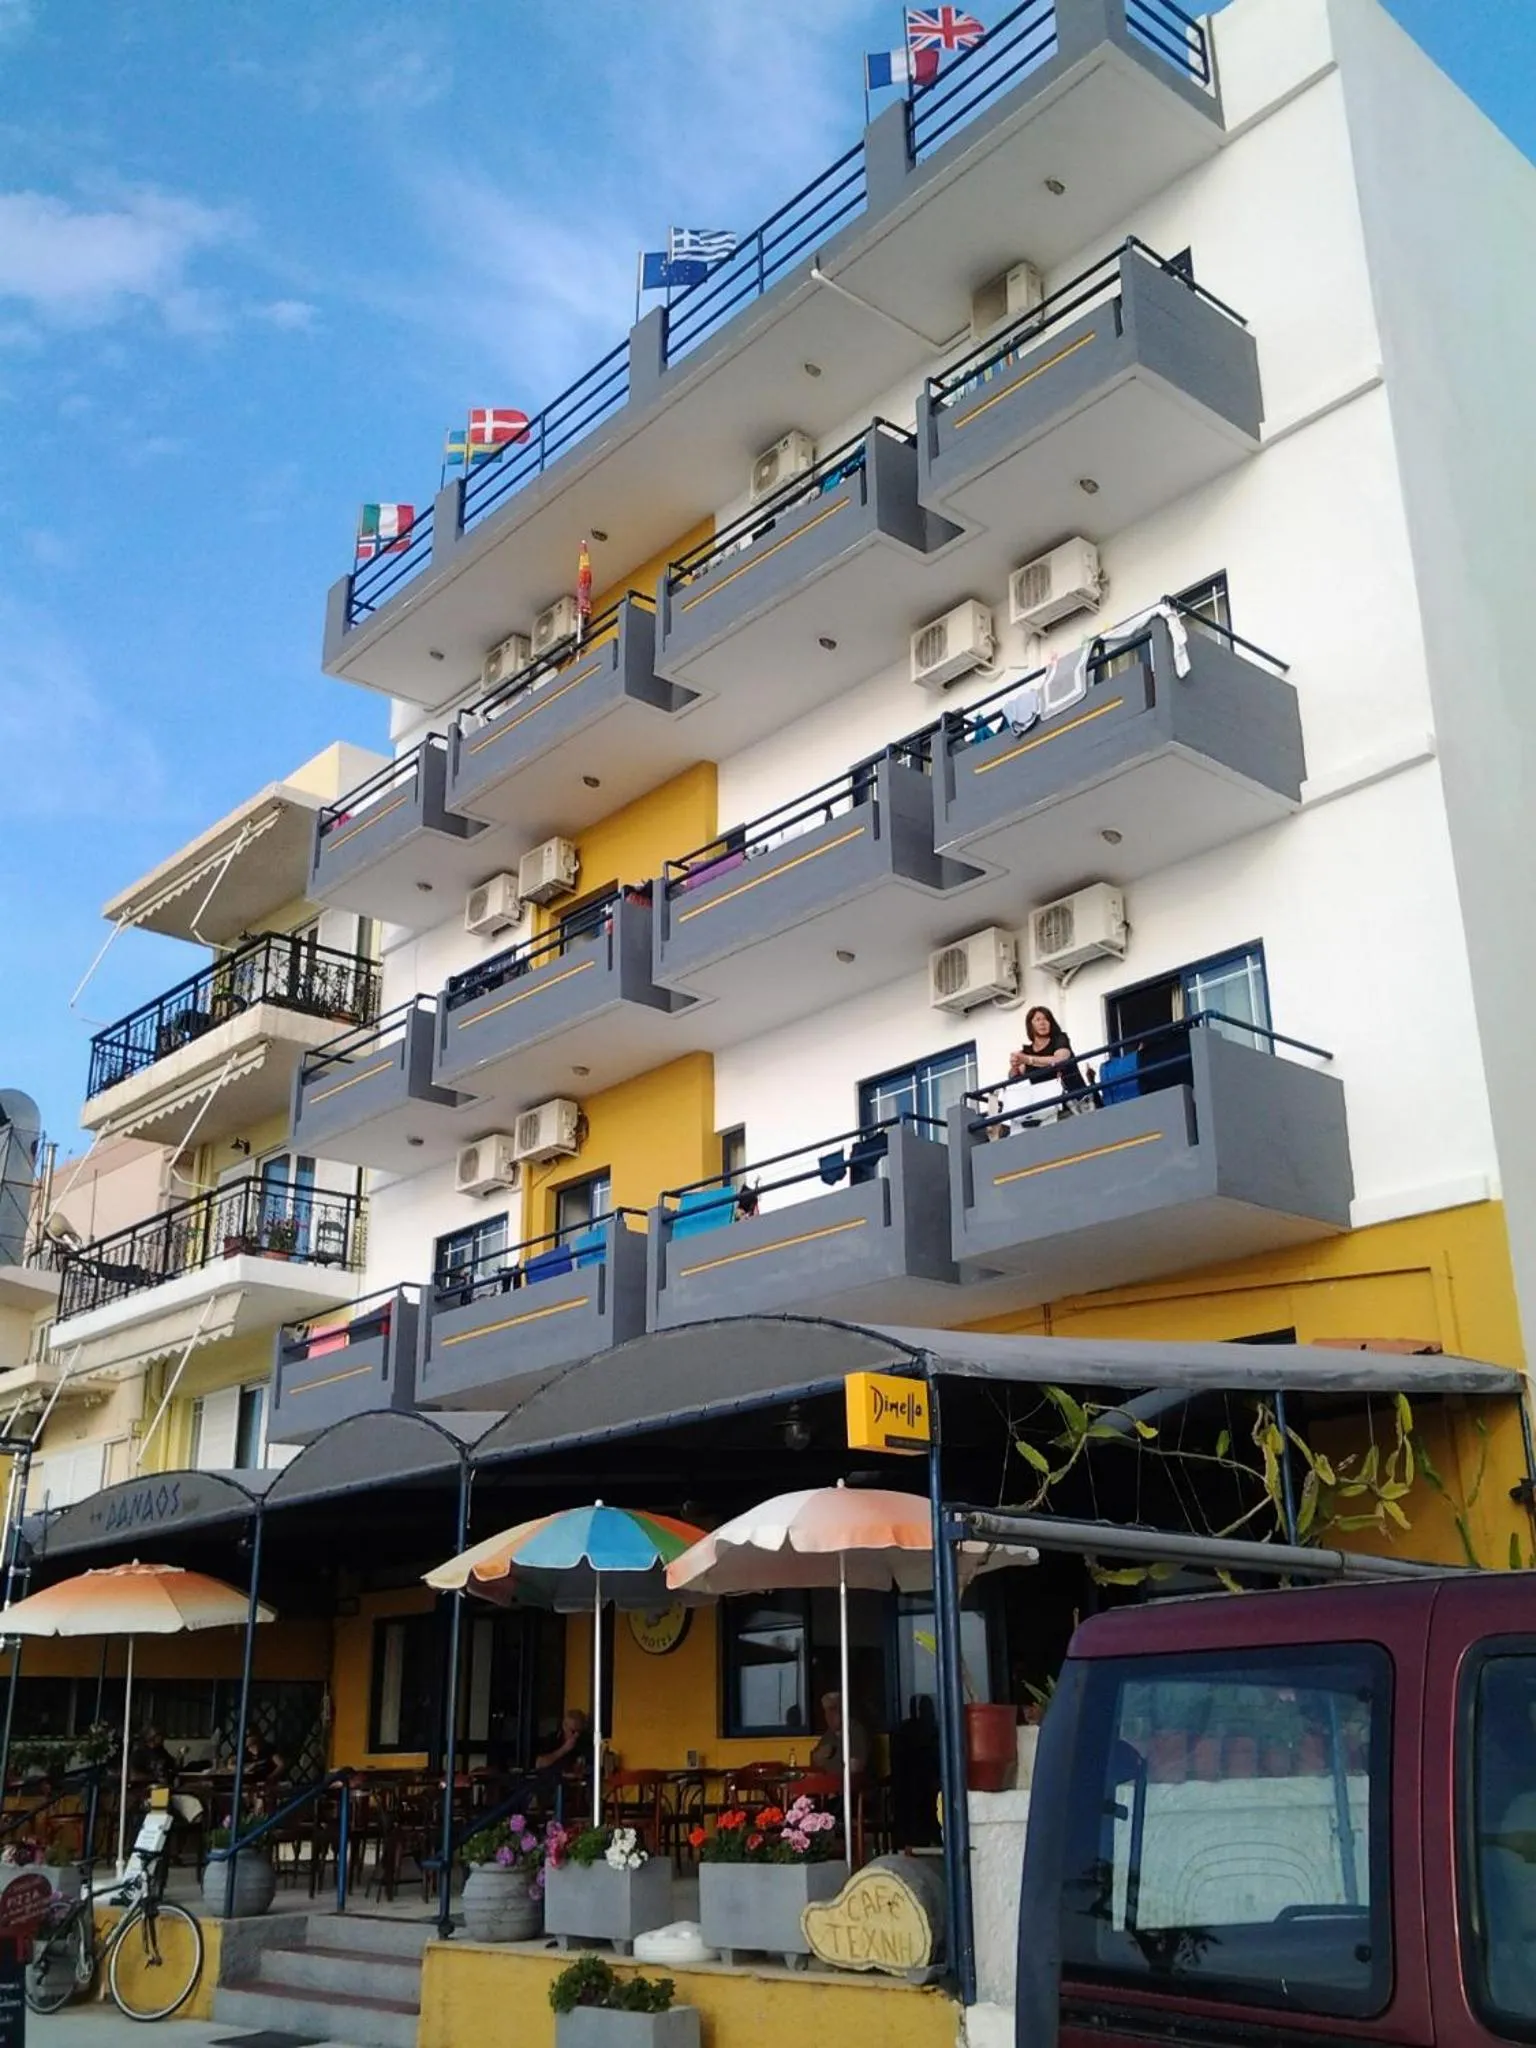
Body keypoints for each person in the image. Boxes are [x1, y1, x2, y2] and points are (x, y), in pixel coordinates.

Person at [1008, 1005, 1088, 1119]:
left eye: (1046, 1019)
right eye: (1038, 1019)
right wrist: (1014, 1065)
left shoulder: (1060, 1039)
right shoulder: (1027, 1052)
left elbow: (1060, 1059)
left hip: (1077, 1102)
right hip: (1048, 1111)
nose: (1043, 1023)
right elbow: (1013, 1076)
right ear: (1030, 1025)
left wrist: (1028, 1060)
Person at [810, 1691, 869, 1776]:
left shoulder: (856, 1731)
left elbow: (855, 1767)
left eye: (832, 1710)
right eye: (826, 1711)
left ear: (843, 1711)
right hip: (832, 1782)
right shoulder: (830, 1734)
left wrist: (825, 1763)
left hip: (853, 1783)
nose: (829, 1716)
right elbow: (814, 1760)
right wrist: (819, 1756)